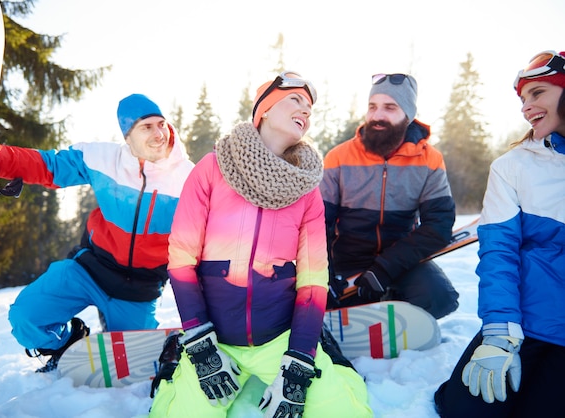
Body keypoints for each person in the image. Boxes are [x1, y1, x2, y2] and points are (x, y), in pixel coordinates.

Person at [149, 72, 372, 417]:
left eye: (310, 107)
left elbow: (313, 280)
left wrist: (298, 360)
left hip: (278, 339)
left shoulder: (307, 190)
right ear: (264, 110)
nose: (306, 111)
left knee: (346, 412)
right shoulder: (211, 169)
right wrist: (199, 341)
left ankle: (327, 356)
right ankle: (175, 363)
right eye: (295, 100)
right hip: (215, 339)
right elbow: (181, 259)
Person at [0, 93, 194, 372]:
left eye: (162, 124)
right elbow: (48, 166)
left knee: (135, 364)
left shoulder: (190, 180)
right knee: (26, 318)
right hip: (90, 269)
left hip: (139, 288)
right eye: (147, 127)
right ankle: (68, 343)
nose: (159, 134)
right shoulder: (102, 159)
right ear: (128, 135)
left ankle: (117, 329)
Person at [434, 50, 565, 418]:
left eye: (537, 93)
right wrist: (499, 333)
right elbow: (499, 255)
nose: (526, 107)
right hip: (524, 319)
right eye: (523, 99)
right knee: (467, 408)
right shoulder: (514, 166)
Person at [320, 73, 459, 319]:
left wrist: (384, 269)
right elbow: (319, 224)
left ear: (408, 114)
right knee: (320, 304)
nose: (377, 115)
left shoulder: (430, 160)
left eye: (390, 107)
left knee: (440, 298)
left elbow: (439, 225)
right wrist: (323, 274)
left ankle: (388, 296)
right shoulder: (338, 158)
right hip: (347, 261)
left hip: (401, 260)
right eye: (372, 107)